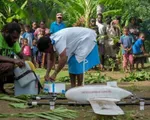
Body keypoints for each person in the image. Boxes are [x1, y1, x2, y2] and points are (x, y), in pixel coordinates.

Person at [0, 22, 25, 93]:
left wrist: (24, 61)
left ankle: (1, 87)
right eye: (13, 37)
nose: (15, 40)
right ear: (6, 32)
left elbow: (22, 55)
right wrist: (14, 60)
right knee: (9, 65)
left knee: (18, 70)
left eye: (17, 38)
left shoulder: (13, 42)